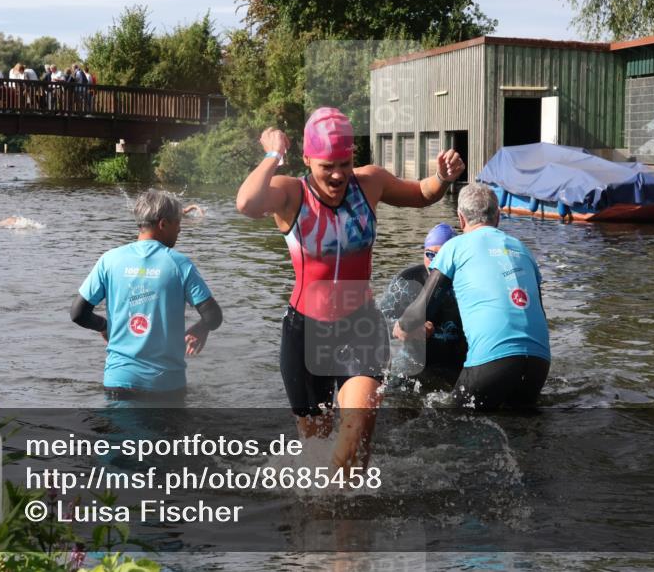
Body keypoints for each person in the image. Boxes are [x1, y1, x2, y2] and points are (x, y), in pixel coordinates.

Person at [235, 107, 465, 469]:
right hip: (305, 332)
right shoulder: (291, 193)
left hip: (360, 326)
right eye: (327, 165)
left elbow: (421, 193)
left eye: (344, 162)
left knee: (359, 425)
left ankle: (350, 521)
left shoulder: (369, 182)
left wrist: (442, 176)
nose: (338, 174)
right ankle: (326, 515)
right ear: (307, 158)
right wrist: (272, 155)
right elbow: (246, 203)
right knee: (316, 444)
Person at [394, 183, 551, 411]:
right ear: (498, 217)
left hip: (492, 360)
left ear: (461, 218)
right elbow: (539, 311)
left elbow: (421, 310)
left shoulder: (456, 246)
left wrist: (402, 326)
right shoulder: (523, 250)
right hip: (539, 362)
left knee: (451, 424)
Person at [71, 189, 223, 403]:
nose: (180, 229)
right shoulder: (180, 264)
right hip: (166, 385)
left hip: (119, 381)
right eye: (177, 223)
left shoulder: (110, 260)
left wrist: (105, 327)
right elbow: (213, 316)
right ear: (163, 224)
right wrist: (201, 328)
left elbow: (78, 313)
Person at [378, 223, 467, 389]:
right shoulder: (408, 281)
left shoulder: (466, 283)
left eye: (441, 255)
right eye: (429, 254)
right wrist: (406, 329)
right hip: (414, 365)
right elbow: (377, 324)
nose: (434, 261)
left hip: (457, 368)